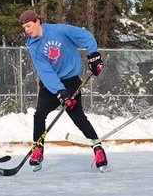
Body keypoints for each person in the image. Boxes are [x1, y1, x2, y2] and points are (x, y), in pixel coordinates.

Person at [19, 9, 107, 172]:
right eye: (25, 27)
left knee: (78, 117)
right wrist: (59, 92)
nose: (27, 30)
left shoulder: (60, 30)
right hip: (50, 85)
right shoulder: (34, 46)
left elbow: (85, 36)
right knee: (40, 115)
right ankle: (38, 149)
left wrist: (93, 55)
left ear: (38, 21)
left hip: (71, 82)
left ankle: (98, 149)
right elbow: (45, 71)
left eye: (29, 26)